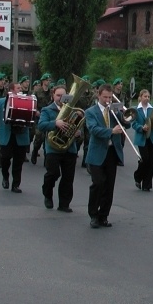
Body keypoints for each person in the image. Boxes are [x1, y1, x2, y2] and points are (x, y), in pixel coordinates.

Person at [84, 84, 124, 228]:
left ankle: (104, 216)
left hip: (111, 152)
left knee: (109, 186)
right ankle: (93, 215)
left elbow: (126, 124)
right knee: (98, 183)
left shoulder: (113, 111)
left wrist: (122, 114)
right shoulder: (91, 112)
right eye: (105, 97)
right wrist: (111, 131)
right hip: (96, 153)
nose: (107, 100)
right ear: (99, 95)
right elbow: (94, 129)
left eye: (110, 97)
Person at [37, 83, 79, 212]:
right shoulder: (47, 110)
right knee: (53, 173)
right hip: (53, 147)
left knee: (68, 177)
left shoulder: (73, 110)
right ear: (53, 96)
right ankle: (47, 194)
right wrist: (55, 123)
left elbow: (79, 126)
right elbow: (41, 125)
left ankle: (64, 204)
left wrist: (77, 132)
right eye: (58, 95)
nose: (61, 98)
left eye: (63, 95)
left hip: (69, 147)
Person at [0, 82, 31, 193]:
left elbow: (32, 113)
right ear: (11, 90)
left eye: (21, 88)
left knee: (18, 162)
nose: (20, 90)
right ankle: (5, 177)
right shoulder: (2, 101)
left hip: (21, 136)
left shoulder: (27, 100)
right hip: (7, 135)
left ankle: (16, 184)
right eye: (18, 88)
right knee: (5, 159)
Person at [132, 89, 153, 191]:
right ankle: (138, 176)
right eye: (145, 96)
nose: (147, 98)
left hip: (151, 137)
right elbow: (133, 123)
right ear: (140, 97)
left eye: (148, 97)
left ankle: (147, 184)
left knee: (151, 161)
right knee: (145, 159)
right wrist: (141, 128)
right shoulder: (136, 110)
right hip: (141, 137)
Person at [30, 73, 53, 164]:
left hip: (49, 116)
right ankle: (35, 151)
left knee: (48, 137)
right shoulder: (37, 92)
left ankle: (47, 158)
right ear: (43, 81)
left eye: (49, 80)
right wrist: (35, 111)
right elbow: (32, 102)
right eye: (47, 80)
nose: (48, 82)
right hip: (39, 117)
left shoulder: (52, 92)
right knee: (39, 136)